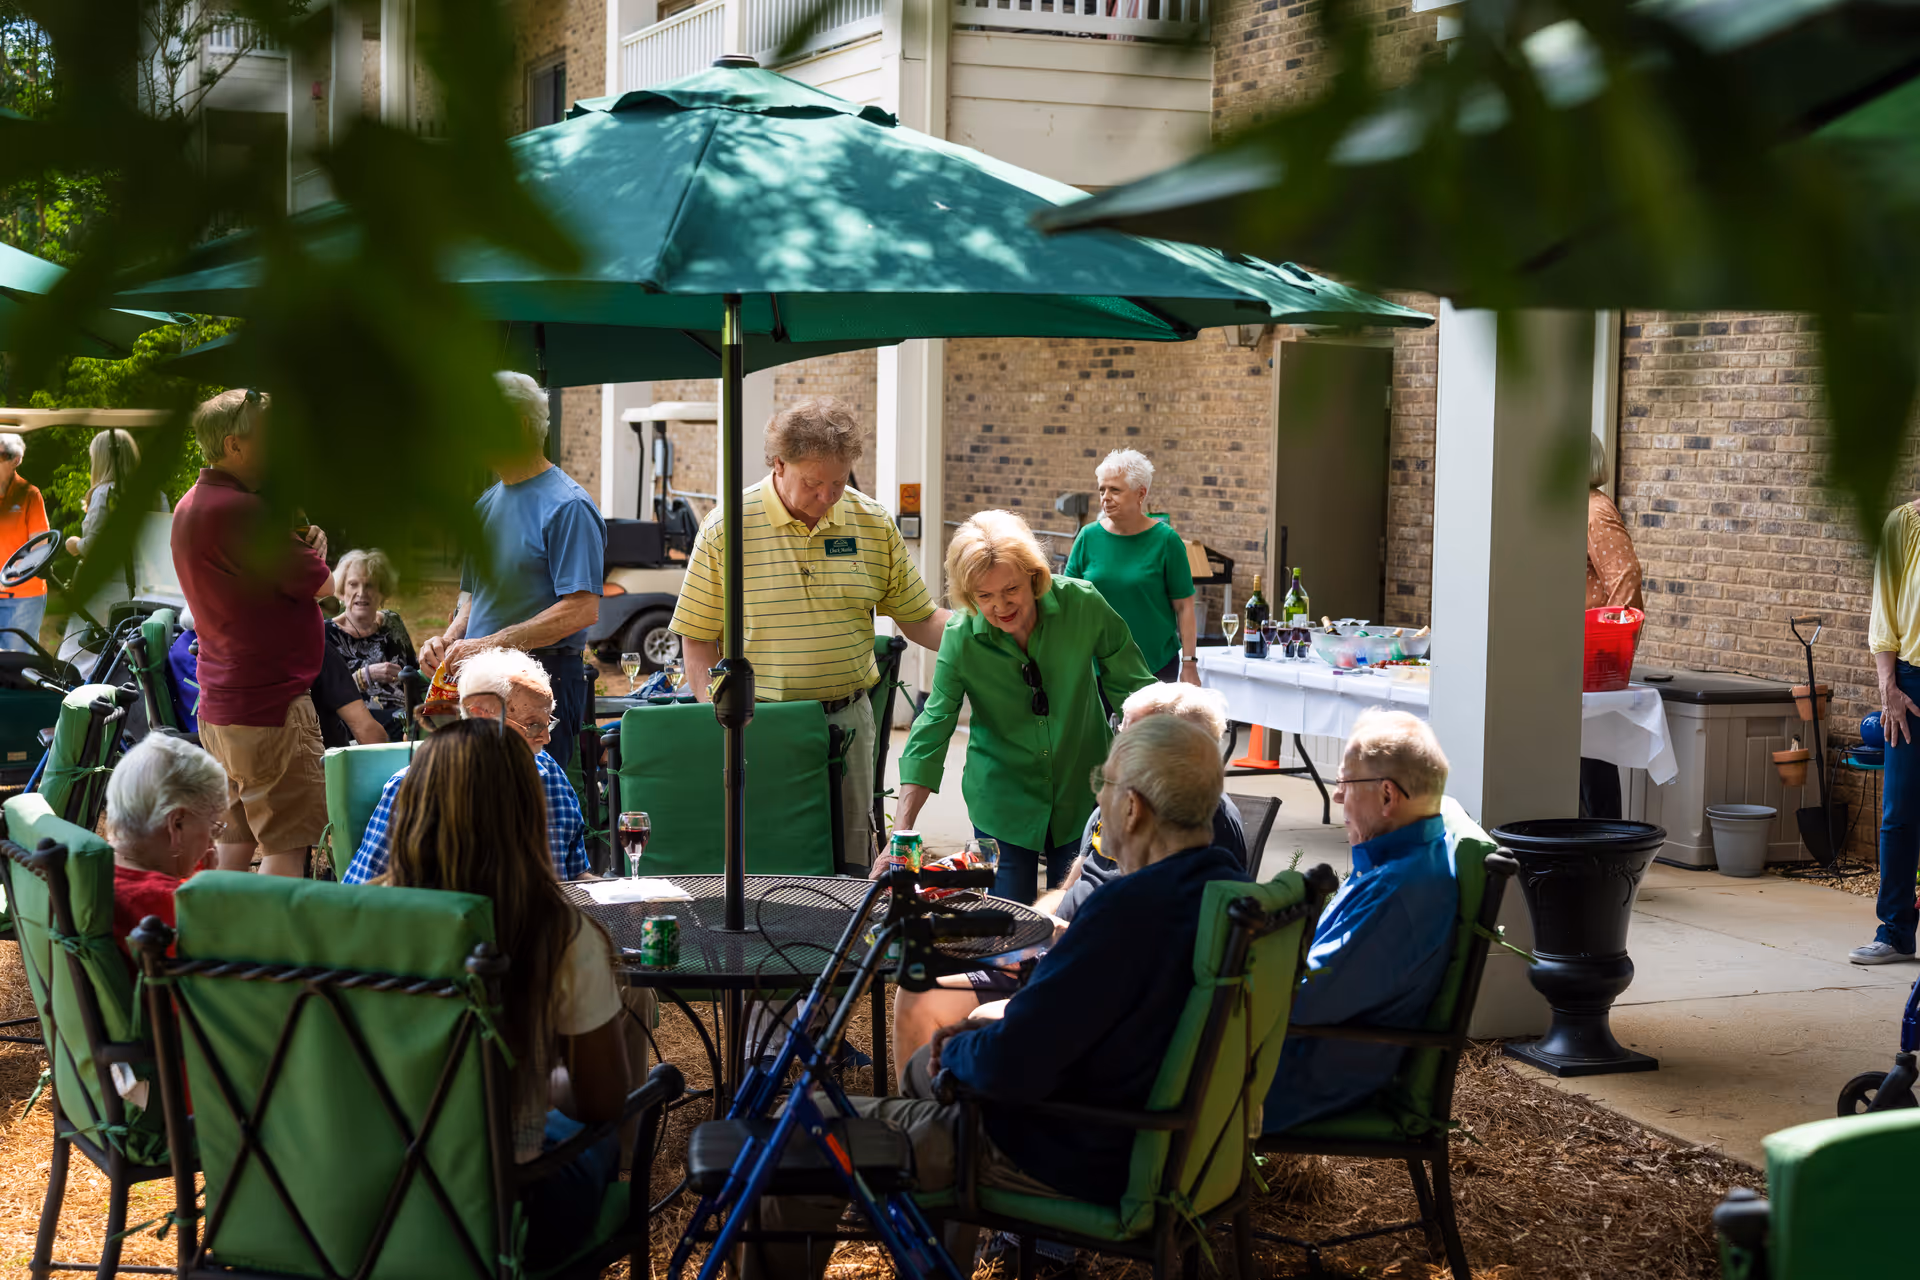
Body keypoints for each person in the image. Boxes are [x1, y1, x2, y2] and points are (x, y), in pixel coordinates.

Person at [742, 715, 1246, 1280]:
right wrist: (971, 1045)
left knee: (802, 1126)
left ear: (1133, 807)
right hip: (1165, 1143)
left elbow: (1014, 1064)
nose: (1099, 805)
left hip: (1067, 1149)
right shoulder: (1228, 896)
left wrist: (958, 1054)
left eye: (1102, 786)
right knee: (919, 1075)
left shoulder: (1126, 913)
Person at [890, 680, 1247, 1082]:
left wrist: (960, 1051)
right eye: (1120, 727)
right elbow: (1067, 888)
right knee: (919, 992)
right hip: (1057, 964)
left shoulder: (1147, 892)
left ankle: (936, 1128)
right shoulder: (1148, 862)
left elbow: (1051, 1027)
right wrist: (1029, 932)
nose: (1118, 742)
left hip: (1074, 1019)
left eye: (1134, 738)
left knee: (970, 1029)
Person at [375, 719, 629, 1270]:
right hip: (501, 1214)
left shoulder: (352, 920)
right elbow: (604, 1102)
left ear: (412, 805)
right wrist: (551, 1078)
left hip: (359, 1201)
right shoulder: (557, 934)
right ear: (527, 812)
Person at [669, 397, 949, 867]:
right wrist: (719, 717)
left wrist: (992, 632)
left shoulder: (872, 523)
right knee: (770, 856)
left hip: (847, 721)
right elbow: (697, 640)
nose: (827, 496)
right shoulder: (726, 529)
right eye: (813, 483)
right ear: (779, 464)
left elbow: (920, 619)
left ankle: (848, 940)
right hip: (763, 724)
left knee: (851, 855)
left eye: (837, 482)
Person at [895, 509, 1156, 903]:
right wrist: (902, 829)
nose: (1000, 606)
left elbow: (1136, 692)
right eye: (984, 596)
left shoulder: (1082, 605)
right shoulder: (960, 637)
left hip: (1083, 791)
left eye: (1010, 589)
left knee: (1078, 917)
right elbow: (934, 724)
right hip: (1003, 802)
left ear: (1034, 575)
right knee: (1006, 929)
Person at [1262, 709, 1459, 1133]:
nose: (1336, 797)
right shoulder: (1401, 863)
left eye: (1343, 784)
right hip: (1295, 1055)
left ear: (1387, 796)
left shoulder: (1398, 891)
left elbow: (1299, 1001)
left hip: (1292, 1076)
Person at [172, 389, 332, 878]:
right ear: (235, 445)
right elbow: (323, 584)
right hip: (270, 708)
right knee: (288, 846)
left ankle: (215, 945)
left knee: (235, 845)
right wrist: (318, 552)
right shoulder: (243, 511)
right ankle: (265, 952)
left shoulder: (192, 504)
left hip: (222, 705)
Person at [418, 373, 603, 771]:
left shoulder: (569, 506)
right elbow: (472, 597)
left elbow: (581, 609)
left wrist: (490, 644)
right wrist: (447, 641)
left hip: (540, 681)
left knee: (531, 808)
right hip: (480, 683)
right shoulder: (486, 503)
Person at [343, 646, 587, 884]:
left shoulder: (548, 773)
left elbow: (577, 877)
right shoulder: (418, 788)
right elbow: (360, 900)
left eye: (549, 723)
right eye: (533, 725)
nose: (546, 739)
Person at [1063, 449, 1199, 685]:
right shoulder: (1087, 537)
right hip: (1095, 667)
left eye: (1115, 490)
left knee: (1149, 724)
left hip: (1154, 665)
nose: (1105, 497)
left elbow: (1184, 606)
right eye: (1102, 489)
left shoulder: (1166, 541)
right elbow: (1069, 601)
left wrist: (1189, 664)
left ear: (1140, 494)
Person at [1858, 498, 1920, 964]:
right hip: (1912, 682)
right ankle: (1896, 931)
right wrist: (1889, 687)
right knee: (1900, 810)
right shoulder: (1902, 524)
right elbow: (1885, 610)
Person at [103, 732, 226, 948]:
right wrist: (207, 899)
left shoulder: (96, 872)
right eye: (212, 828)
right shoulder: (160, 902)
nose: (210, 844)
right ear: (177, 823)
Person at [59, 429, 171, 664]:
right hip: (144, 587)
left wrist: (74, 544)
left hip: (104, 589)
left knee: (84, 651)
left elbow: (94, 547)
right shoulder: (157, 496)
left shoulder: (104, 493)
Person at [1583, 434, 1644, 821]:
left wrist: (1606, 649)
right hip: (1569, 659)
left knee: (1592, 763)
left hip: (1587, 663)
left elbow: (1626, 580)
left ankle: (1605, 858)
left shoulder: (1593, 511)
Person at [325, 548, 416, 738]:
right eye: (353, 585)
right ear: (342, 591)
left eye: (369, 586)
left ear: (382, 592)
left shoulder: (393, 622)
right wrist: (365, 675)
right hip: (358, 724)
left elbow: (413, 672)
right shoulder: (328, 634)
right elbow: (325, 695)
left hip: (404, 715)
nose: (361, 593)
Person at [0, 432, 50, 654]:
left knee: (18, 664)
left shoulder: (30, 495)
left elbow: (40, 548)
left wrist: (10, 577)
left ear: (15, 460)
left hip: (24, 597)